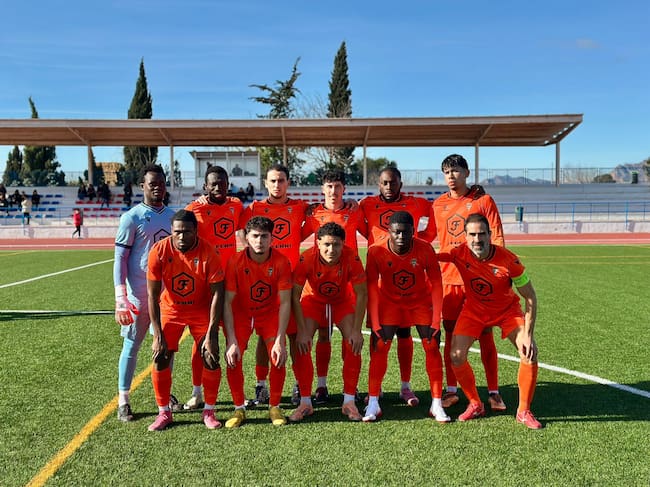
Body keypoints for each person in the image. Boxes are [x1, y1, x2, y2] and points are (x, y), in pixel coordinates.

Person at [437, 213, 541, 429]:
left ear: (490, 235)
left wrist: (528, 335)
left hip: (507, 311)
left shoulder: (510, 260)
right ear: (465, 236)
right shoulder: (458, 253)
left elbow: (530, 296)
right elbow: (430, 255)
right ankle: (475, 403)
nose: (477, 239)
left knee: (529, 352)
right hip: (474, 311)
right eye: (472, 234)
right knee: (456, 355)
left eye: (482, 234)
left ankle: (523, 411)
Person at [432, 154, 507, 412]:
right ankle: (452, 390)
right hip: (449, 280)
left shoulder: (483, 201)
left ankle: (494, 392)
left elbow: (497, 237)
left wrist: (497, 273)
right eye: (446, 172)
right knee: (450, 334)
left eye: (455, 171)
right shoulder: (438, 204)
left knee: (485, 334)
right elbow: (430, 235)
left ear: (466, 172)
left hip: (477, 280)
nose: (451, 176)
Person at [359, 166, 437, 407]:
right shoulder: (366, 204)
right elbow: (358, 226)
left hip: (408, 276)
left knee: (405, 333)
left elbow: (438, 210)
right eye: (384, 183)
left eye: (393, 182)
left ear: (400, 184)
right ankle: (376, 388)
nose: (389, 187)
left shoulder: (416, 203)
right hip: (379, 276)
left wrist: (421, 239)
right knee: (378, 336)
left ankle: (405, 386)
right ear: (378, 184)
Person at [363, 211, 449, 423]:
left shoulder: (425, 249)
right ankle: (373, 402)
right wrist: (375, 323)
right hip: (389, 302)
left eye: (406, 232)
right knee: (380, 345)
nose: (401, 237)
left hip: (419, 302)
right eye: (396, 232)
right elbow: (371, 287)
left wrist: (436, 321)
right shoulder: (375, 251)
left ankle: (436, 404)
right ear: (389, 232)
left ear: (413, 231)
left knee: (432, 345)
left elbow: (437, 284)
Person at [146, 210, 226, 431]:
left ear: (196, 231)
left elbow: (218, 293)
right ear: (171, 231)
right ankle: (164, 412)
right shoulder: (159, 250)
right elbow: (152, 295)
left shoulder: (209, 252)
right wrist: (157, 335)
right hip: (171, 310)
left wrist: (212, 333)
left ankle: (209, 411)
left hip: (201, 309)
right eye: (177, 232)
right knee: (161, 356)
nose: (181, 237)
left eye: (187, 232)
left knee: (210, 356)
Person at [238, 164, 310, 407]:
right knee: (263, 336)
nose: (277, 185)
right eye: (272, 181)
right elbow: (242, 231)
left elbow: (321, 213)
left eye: (281, 180)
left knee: (294, 335)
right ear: (265, 183)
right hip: (263, 283)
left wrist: (350, 203)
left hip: (292, 282)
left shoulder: (300, 207)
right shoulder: (254, 208)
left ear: (288, 182)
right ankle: (261, 385)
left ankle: (299, 385)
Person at [113, 164, 175, 422]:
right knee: (132, 346)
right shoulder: (131, 218)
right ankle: (123, 399)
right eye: (152, 184)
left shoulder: (173, 216)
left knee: (166, 347)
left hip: (166, 296)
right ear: (142, 187)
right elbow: (120, 259)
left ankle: (164, 395)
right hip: (139, 296)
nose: (158, 187)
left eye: (161, 183)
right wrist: (121, 298)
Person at [300, 169, 367, 404]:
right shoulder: (313, 214)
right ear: (322, 189)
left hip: (346, 285)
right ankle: (320, 385)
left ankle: (351, 388)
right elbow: (294, 236)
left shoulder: (354, 211)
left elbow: (372, 232)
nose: (333, 191)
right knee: (322, 335)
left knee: (351, 339)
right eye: (329, 186)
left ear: (344, 189)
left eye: (337, 186)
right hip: (317, 285)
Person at [289, 222, 367, 422]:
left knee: (353, 342)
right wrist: (302, 331)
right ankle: (305, 402)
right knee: (302, 344)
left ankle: (349, 401)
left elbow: (361, 293)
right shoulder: (307, 258)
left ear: (343, 244)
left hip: (341, 302)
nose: (331, 250)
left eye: (336, 245)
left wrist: (357, 330)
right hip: (313, 301)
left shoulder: (352, 258)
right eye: (326, 245)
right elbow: (295, 294)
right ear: (317, 243)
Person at [181, 165, 244, 410]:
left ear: (228, 185)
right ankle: (197, 392)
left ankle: (238, 396)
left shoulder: (236, 206)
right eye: (213, 183)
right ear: (205, 186)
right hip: (204, 285)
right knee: (201, 340)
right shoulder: (193, 209)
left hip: (231, 284)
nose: (218, 187)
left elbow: (248, 226)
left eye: (222, 183)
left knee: (234, 339)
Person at [222, 216, 292, 428]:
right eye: (255, 236)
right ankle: (238, 408)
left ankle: (274, 406)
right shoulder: (235, 262)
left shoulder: (281, 262)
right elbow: (227, 302)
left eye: (264, 236)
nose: (259, 241)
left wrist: (280, 339)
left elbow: (286, 302)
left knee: (277, 356)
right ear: (246, 238)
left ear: (272, 238)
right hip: (242, 314)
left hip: (269, 314)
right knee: (233, 357)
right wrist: (231, 339)